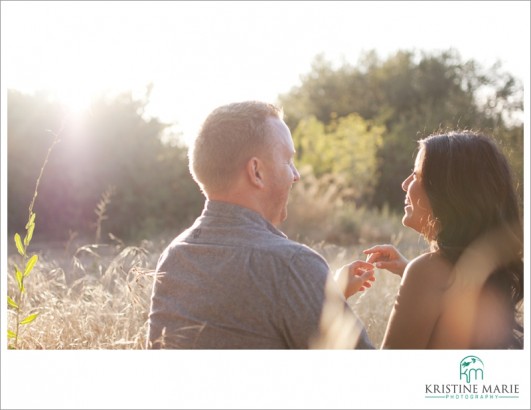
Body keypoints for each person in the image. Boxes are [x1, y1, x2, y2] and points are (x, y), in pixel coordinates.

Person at [146, 101, 374, 349]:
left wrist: (326, 295)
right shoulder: (293, 265)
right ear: (256, 172)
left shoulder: (173, 258)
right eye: (288, 161)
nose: (296, 175)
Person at [362, 130, 523, 349]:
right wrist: (409, 270)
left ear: (448, 193)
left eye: (417, 175)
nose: (404, 184)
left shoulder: (426, 272)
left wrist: (336, 303)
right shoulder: (489, 266)